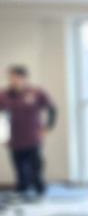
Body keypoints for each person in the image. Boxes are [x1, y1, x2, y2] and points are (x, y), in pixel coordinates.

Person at [0, 65, 56, 199]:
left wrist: (48, 127)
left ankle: (39, 189)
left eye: (16, 77)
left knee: (36, 166)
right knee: (19, 168)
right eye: (11, 77)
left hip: (33, 136)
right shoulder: (4, 95)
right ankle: (22, 190)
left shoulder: (36, 93)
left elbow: (52, 109)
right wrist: (2, 136)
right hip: (14, 138)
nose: (13, 80)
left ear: (24, 78)